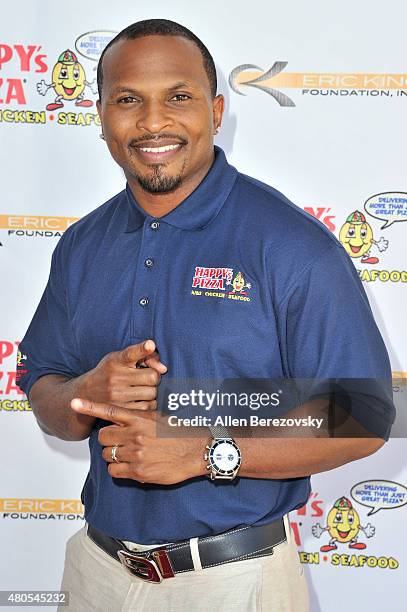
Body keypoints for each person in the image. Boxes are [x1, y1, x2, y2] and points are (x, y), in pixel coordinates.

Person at [17, 18, 395, 612]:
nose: (152, 122)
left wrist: (203, 451)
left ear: (216, 110)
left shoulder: (292, 246)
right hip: (97, 572)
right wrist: (83, 393)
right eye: (127, 100)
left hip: (233, 581)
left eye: (179, 97)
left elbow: (364, 416)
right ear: (101, 116)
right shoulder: (82, 244)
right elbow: (46, 393)